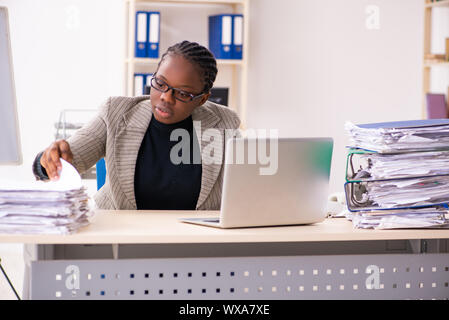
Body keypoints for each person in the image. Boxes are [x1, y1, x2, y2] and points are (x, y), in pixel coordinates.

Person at [32, 40, 241, 210]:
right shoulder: (116, 113)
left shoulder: (225, 126)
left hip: (196, 242)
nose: (166, 98)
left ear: (202, 99)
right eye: (160, 84)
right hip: (121, 238)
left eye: (183, 93)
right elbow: (70, 158)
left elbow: (251, 186)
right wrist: (48, 160)